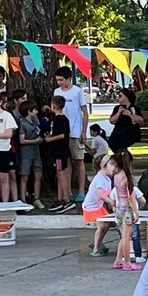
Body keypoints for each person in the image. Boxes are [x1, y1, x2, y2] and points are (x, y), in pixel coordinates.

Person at [53, 66, 89, 201]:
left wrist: (83, 131)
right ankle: (66, 190)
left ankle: (81, 190)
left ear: (69, 78)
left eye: (62, 80)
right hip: (63, 132)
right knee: (65, 162)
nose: (60, 83)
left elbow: (85, 112)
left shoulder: (78, 92)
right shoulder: (57, 91)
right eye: (57, 80)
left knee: (78, 160)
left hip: (75, 131)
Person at [111, 150, 140, 271]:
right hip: (127, 208)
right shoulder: (126, 178)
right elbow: (131, 196)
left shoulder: (116, 176)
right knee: (126, 237)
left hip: (119, 207)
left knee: (123, 236)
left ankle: (118, 260)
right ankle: (127, 262)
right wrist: (136, 212)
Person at [83, 154, 117, 256]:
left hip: (98, 206)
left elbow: (107, 194)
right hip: (91, 206)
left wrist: (112, 204)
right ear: (103, 166)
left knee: (106, 224)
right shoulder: (99, 178)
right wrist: (111, 202)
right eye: (111, 164)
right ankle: (96, 249)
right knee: (101, 226)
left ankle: (98, 243)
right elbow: (101, 195)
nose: (114, 167)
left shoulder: (106, 178)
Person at [17, 100, 45, 209]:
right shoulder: (23, 124)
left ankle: (36, 198)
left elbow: (39, 129)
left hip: (36, 153)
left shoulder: (35, 121)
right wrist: (35, 141)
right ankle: (23, 199)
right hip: (26, 154)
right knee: (25, 176)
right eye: (34, 110)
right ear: (29, 112)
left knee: (38, 174)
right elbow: (22, 140)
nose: (36, 112)